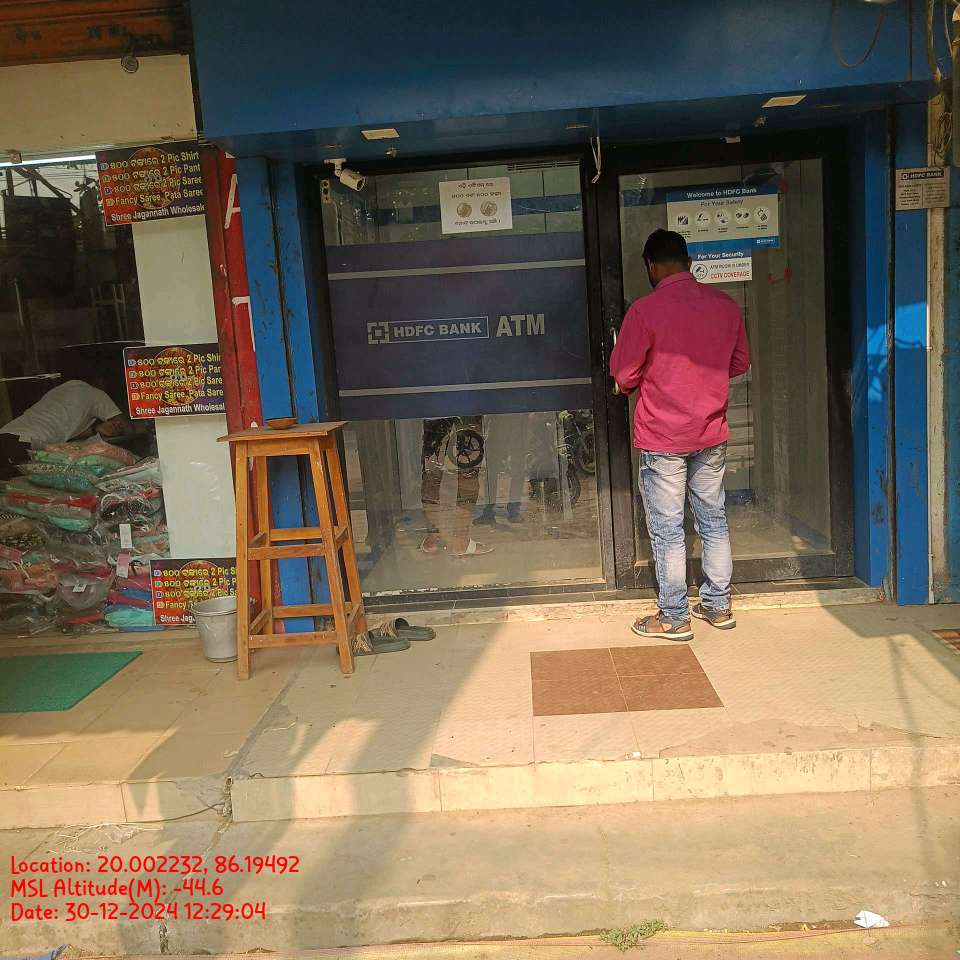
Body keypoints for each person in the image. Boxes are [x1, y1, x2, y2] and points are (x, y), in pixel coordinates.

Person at [610, 229, 750, 640]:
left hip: (663, 438)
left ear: (651, 266)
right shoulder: (725, 306)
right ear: (688, 262)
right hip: (711, 433)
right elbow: (739, 362)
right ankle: (718, 606)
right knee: (713, 519)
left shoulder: (644, 311)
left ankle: (673, 616)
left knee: (669, 528)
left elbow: (624, 375)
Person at [0, 379, 126, 479]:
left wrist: (95, 429)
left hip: (6, 436)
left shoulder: (63, 389)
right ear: (101, 381)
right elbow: (126, 427)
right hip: (26, 444)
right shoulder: (96, 394)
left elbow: (63, 429)